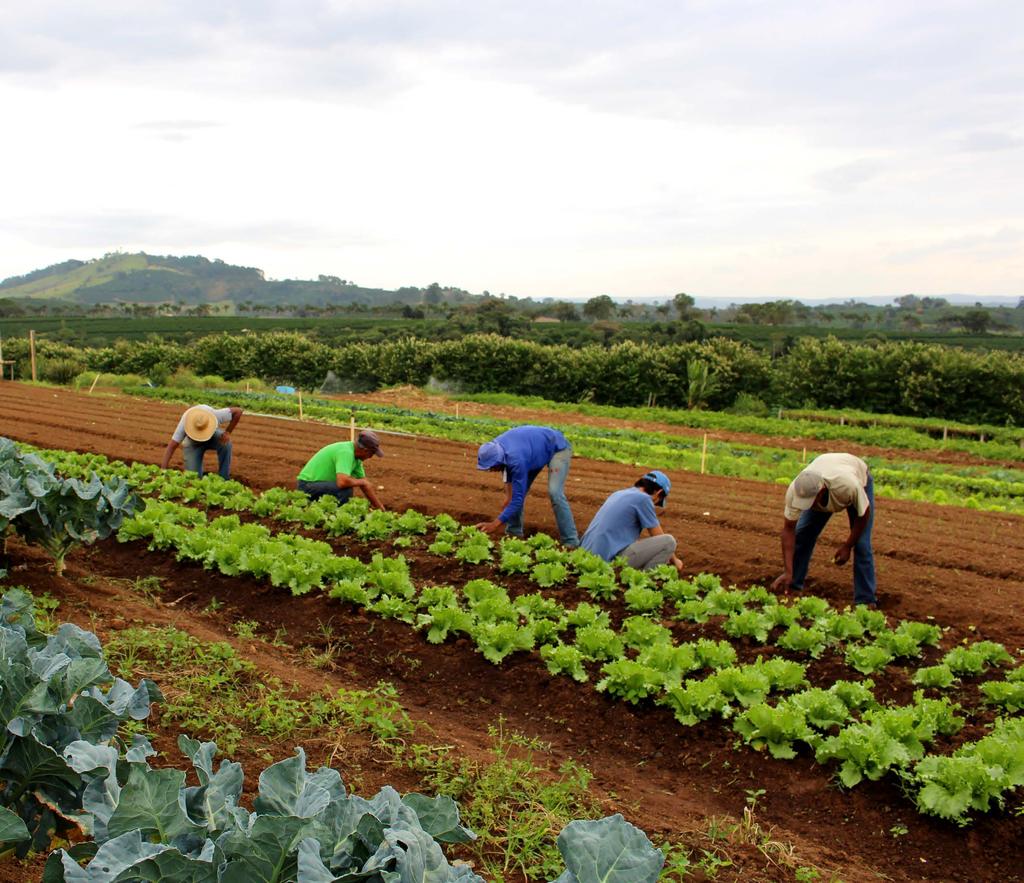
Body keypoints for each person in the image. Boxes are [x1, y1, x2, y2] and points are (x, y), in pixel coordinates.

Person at [771, 452, 876, 606]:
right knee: (803, 534)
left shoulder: (848, 486)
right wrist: (788, 571)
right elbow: (788, 530)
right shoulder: (797, 489)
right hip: (825, 466)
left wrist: (848, 545)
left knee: (861, 545)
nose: (808, 505)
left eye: (810, 501)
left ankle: (866, 601)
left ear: (820, 493)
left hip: (857, 476)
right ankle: (793, 585)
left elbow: (863, 515)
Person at [474, 425, 579, 546]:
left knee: (555, 492)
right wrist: (508, 497)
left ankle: (571, 541)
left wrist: (495, 524)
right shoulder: (495, 448)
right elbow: (507, 475)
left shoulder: (516, 460)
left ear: (498, 460)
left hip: (556, 447)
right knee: (512, 497)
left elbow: (517, 498)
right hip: (533, 452)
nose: (491, 470)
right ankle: (514, 533)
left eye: (492, 467)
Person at [580, 471, 684, 573]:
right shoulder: (644, 499)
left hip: (584, 556)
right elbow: (657, 534)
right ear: (659, 493)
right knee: (668, 542)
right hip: (605, 562)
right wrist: (675, 560)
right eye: (659, 501)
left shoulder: (618, 493)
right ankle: (646, 581)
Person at [297, 430, 385, 509]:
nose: (370, 457)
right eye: (372, 453)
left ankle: (333, 512)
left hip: (319, 486)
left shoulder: (357, 459)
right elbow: (342, 482)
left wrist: (380, 508)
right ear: (365, 450)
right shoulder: (346, 452)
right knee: (345, 489)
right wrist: (361, 482)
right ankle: (337, 516)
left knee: (345, 488)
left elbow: (366, 486)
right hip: (307, 486)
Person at [161, 404, 243, 479]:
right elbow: (171, 447)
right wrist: (162, 471)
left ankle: (224, 477)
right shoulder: (185, 423)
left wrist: (228, 432)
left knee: (226, 443)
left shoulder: (214, 415)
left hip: (211, 436)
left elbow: (238, 411)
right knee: (193, 478)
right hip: (193, 444)